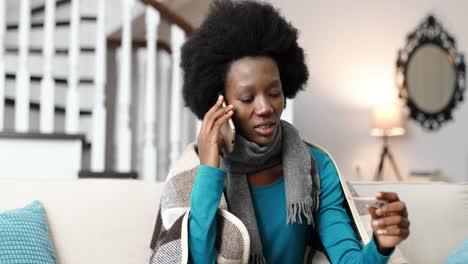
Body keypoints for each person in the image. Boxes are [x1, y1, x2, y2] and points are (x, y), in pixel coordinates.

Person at [149, 0, 410, 263]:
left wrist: (381, 245)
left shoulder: (315, 167)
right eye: (247, 98)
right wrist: (209, 171)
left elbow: (348, 260)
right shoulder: (198, 173)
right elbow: (195, 259)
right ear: (221, 104)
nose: (265, 108)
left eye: (274, 93)